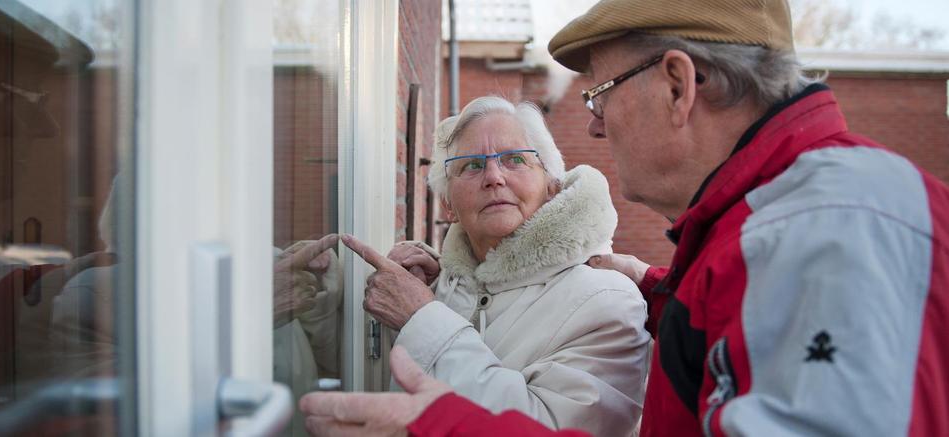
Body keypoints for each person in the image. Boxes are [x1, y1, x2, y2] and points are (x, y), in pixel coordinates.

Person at [299, 0, 949, 435]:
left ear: (676, 84)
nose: (591, 121)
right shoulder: (771, 233)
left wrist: (440, 423)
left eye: (600, 92)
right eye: (469, 166)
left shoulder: (830, 233)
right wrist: (667, 296)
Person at [339, 95, 651, 435]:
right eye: (471, 165)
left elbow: (548, 426)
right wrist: (318, 305)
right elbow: (359, 377)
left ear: (551, 186)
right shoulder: (435, 287)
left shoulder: (607, 300)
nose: (493, 176)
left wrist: (423, 318)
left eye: (515, 159)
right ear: (448, 205)